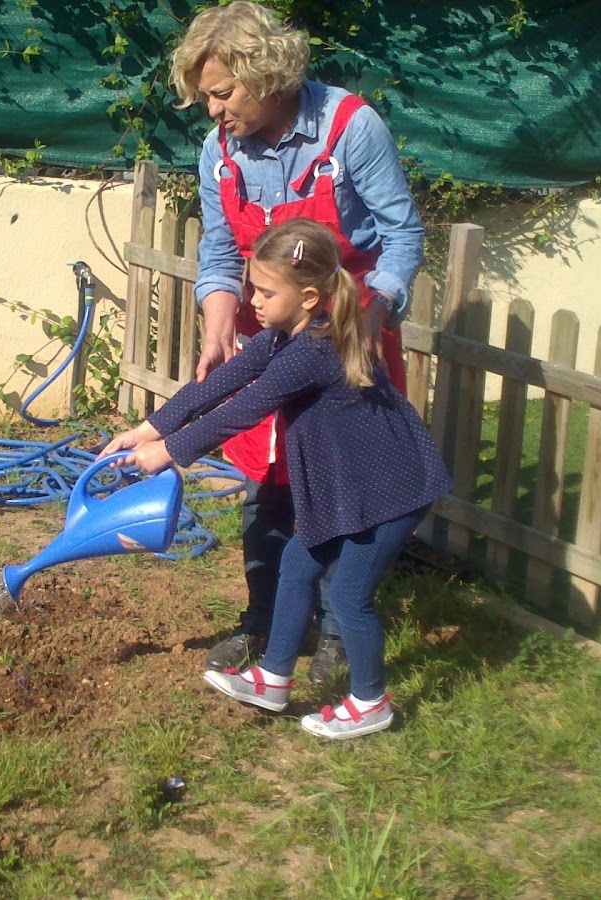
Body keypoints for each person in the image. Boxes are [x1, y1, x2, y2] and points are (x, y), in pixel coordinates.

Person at [102, 218, 450, 739]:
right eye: (252, 288)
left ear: (308, 297)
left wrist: (168, 453)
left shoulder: (314, 350)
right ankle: (273, 678)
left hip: (392, 490)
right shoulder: (283, 339)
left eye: (266, 292)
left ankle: (370, 701)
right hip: (353, 488)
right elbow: (219, 383)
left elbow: (244, 408)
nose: (253, 301)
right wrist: (147, 429)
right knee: (296, 564)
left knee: (349, 595)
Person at [168, 1, 426, 681]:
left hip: (347, 335)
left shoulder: (351, 128)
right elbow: (219, 251)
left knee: (348, 487)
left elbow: (402, 234)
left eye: (223, 93)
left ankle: (340, 630)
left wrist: (370, 317)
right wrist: (218, 321)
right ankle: (264, 621)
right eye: (206, 97)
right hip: (269, 340)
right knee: (268, 486)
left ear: (266, 74)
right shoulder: (219, 152)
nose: (213, 110)